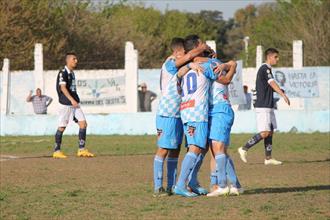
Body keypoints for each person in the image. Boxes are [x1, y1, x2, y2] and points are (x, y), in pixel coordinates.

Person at [153, 37, 207, 197]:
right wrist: (200, 48)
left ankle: (171, 186)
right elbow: (191, 58)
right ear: (177, 52)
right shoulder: (169, 64)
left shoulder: (178, 64)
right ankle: (158, 188)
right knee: (163, 149)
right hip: (167, 113)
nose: (187, 55)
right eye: (184, 53)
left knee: (175, 150)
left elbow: (192, 60)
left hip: (179, 113)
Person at [173, 35, 219, 197]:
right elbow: (221, 74)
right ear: (197, 47)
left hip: (187, 110)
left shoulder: (187, 67)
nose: (206, 45)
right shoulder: (204, 65)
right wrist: (217, 60)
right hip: (197, 112)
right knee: (196, 147)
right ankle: (180, 185)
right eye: (202, 43)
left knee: (202, 146)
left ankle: (192, 181)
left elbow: (178, 80)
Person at [238, 48, 290, 165]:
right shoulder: (264, 68)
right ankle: (244, 148)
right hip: (263, 106)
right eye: (276, 57)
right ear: (269, 57)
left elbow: (268, 86)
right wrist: (282, 94)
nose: (278, 59)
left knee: (270, 131)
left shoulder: (267, 69)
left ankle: (268, 158)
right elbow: (271, 83)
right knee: (265, 132)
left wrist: (279, 90)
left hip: (268, 104)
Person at [205, 59, 244, 196]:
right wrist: (225, 66)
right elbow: (233, 64)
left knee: (218, 149)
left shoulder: (210, 66)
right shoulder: (213, 65)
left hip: (220, 109)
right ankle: (235, 185)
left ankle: (222, 185)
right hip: (214, 111)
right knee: (218, 151)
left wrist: (224, 66)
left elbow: (231, 68)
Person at [52, 52, 94, 159]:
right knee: (62, 127)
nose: (76, 61)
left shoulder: (72, 73)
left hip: (75, 103)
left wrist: (75, 100)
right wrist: (71, 100)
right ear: (68, 60)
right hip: (66, 103)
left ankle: (81, 149)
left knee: (83, 123)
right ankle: (57, 151)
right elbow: (63, 88)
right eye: (74, 59)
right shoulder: (63, 72)